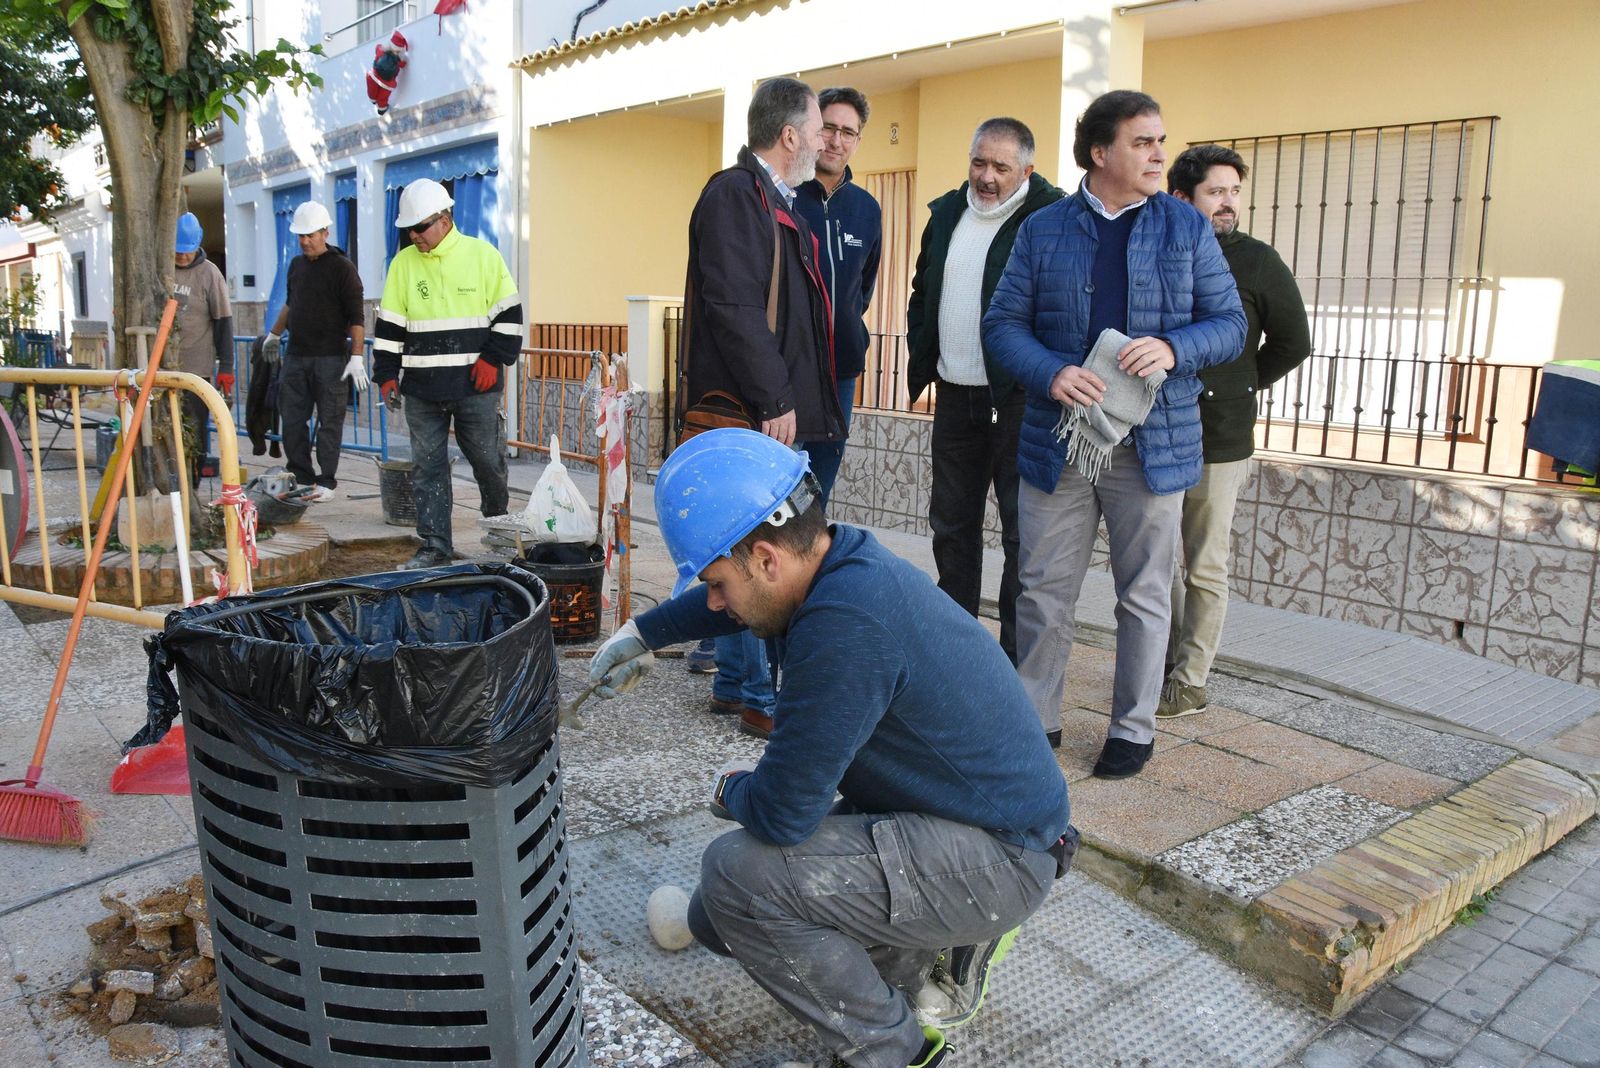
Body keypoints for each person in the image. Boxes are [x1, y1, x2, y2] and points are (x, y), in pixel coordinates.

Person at [587, 428, 1073, 1068]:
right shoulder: (835, 565)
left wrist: (727, 790)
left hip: (1002, 856)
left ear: (765, 558)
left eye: (714, 581)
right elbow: (730, 607)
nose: (711, 601)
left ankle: (894, 1050)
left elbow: (785, 812)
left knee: (739, 879)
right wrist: (642, 633)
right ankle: (913, 960)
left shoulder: (846, 628)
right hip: (950, 820)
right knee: (715, 919)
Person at [983, 90, 1245, 779]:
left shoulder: (1186, 230)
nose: (1160, 154)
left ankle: (1133, 728)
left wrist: (1172, 348)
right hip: (1060, 439)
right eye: (1143, 142)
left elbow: (1230, 324)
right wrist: (1051, 373)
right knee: (1042, 588)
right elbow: (1003, 325)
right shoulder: (1043, 229)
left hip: (1153, 444)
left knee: (1146, 591)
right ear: (1101, 153)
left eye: (1161, 140)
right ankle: (1035, 720)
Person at [681, 76, 844, 739]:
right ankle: (759, 696)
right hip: (757, 409)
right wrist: (776, 395)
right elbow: (733, 303)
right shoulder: (734, 195)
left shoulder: (773, 202)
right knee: (760, 551)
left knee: (748, 544)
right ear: (788, 136)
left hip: (773, 407)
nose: (823, 142)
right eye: (816, 129)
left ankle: (730, 682)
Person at [1161, 145, 1311, 719]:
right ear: (1182, 197)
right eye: (1215, 192)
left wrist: (1241, 384)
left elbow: (1293, 343)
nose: (1228, 204)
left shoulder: (1257, 261)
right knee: (1154, 560)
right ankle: (1166, 660)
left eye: (1234, 192)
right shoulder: (1160, 249)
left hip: (1219, 439)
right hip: (1156, 431)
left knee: (1204, 564)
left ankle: (1191, 678)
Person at [906, 118, 1063, 665]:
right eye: (979, 163)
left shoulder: (1051, 217)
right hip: (955, 394)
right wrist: (921, 355)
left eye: (1001, 166)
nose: (987, 177)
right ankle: (958, 653)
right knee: (951, 525)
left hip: (1020, 399)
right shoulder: (947, 212)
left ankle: (1016, 664)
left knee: (1023, 535)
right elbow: (924, 291)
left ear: (1027, 170)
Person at [372, 178, 522, 570]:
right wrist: (386, 374)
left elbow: (509, 315)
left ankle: (500, 538)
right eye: (409, 229)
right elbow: (390, 327)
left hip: (475, 386)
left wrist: (494, 358)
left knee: (488, 463)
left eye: (420, 228)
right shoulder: (403, 265)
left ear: (444, 219)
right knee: (428, 469)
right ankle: (435, 545)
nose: (413, 235)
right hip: (422, 390)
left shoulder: (482, 256)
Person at [795, 86, 881, 502]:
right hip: (786, 370)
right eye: (828, 127)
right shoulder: (785, 196)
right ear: (812, 130)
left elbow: (861, 290)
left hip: (840, 370)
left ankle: (802, 557)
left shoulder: (867, 209)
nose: (836, 140)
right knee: (775, 476)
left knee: (817, 486)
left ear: (858, 140)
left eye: (848, 132)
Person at [258, 201, 367, 502]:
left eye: (311, 235)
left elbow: (357, 317)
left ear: (325, 233)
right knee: (292, 419)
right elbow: (291, 305)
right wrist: (274, 333)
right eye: (300, 236)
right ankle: (301, 475)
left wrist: (356, 357)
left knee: (330, 421)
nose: (305, 241)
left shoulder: (343, 268)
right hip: (296, 356)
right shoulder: (296, 266)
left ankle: (327, 481)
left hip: (331, 358)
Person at [171, 212, 234, 479]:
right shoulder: (162, 270)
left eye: (187, 252)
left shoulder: (210, 275)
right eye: (178, 252)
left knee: (194, 430)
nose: (183, 257)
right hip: (163, 366)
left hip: (196, 368)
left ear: (197, 246)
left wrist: (226, 367)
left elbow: (223, 323)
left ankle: (192, 481)